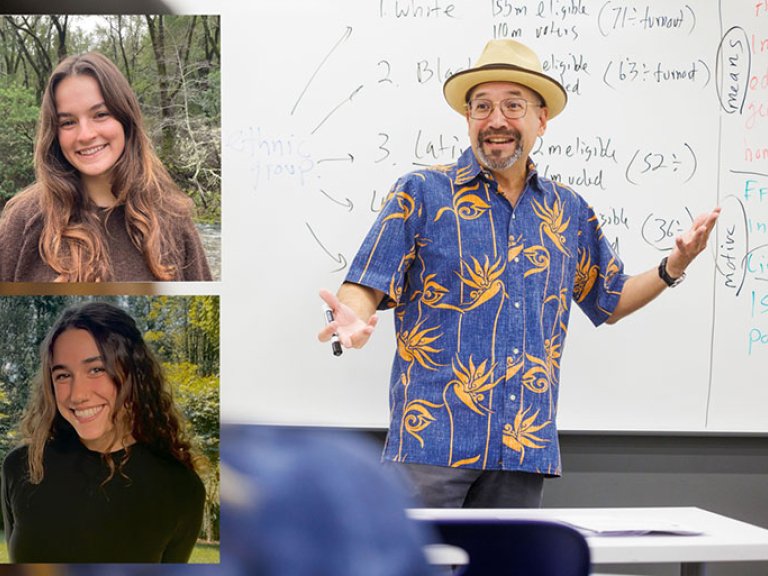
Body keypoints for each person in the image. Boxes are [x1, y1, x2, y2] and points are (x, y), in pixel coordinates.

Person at [318, 39, 720, 508]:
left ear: (541, 120)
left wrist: (675, 267)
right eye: (482, 107)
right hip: (431, 445)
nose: (496, 120)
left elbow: (610, 300)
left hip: (522, 450)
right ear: (468, 118)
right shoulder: (421, 192)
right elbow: (367, 282)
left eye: (513, 105)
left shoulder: (567, 211)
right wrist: (351, 316)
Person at [1, 301, 206, 562]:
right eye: (63, 375)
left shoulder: (181, 489)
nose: (77, 395)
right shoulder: (22, 467)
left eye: (96, 369)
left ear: (133, 371)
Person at [0, 51, 212, 282]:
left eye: (100, 114)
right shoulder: (24, 220)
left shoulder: (173, 217)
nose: (86, 135)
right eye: (68, 122)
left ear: (125, 119)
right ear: (55, 134)